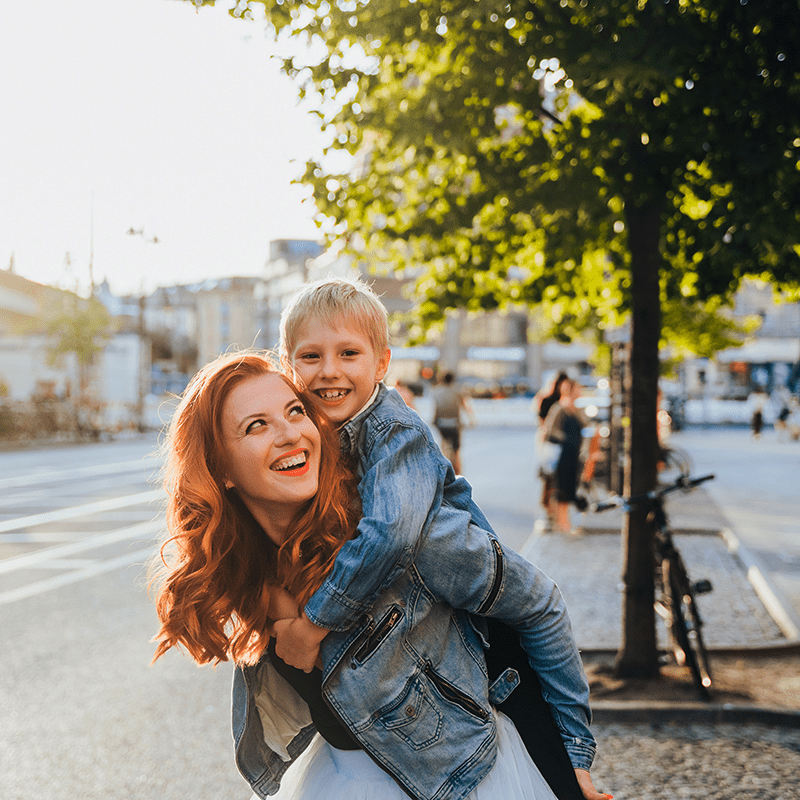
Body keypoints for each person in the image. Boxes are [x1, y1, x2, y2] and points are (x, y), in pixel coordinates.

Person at [150, 351, 610, 800]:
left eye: (295, 411)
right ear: (221, 469)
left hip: (464, 776)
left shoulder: (405, 535)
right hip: (340, 778)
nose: (291, 434)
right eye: (257, 425)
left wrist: (574, 755)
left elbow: (541, 604)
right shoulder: (256, 572)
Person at [276, 276, 603, 799]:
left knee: (537, 632)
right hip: (424, 666)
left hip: (478, 593)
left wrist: (315, 623)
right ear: (289, 365)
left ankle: (577, 758)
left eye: (348, 353)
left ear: (382, 364)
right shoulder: (320, 436)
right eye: (311, 356)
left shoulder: (392, 430)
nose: (329, 369)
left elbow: (390, 534)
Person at [543, 379, 587, 533]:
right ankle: (563, 524)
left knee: (570, 489)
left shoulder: (578, 409)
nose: (580, 392)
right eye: (578, 389)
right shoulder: (559, 408)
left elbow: (586, 426)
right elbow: (550, 430)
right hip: (562, 455)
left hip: (575, 456)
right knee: (561, 489)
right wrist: (566, 439)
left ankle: (566, 523)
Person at [534, 372, 569, 525]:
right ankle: (548, 505)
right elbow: (541, 421)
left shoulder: (561, 401)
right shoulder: (550, 400)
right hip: (548, 440)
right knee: (549, 474)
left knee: (555, 475)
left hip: (557, 441)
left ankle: (552, 506)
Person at [431, 370, 472, 473]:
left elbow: (436, 407)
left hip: (441, 423)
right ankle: (458, 472)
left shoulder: (436, 391)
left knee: (444, 443)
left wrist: (434, 420)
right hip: (454, 423)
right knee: (456, 449)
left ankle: (444, 466)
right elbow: (465, 405)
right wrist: (471, 419)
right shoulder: (458, 390)